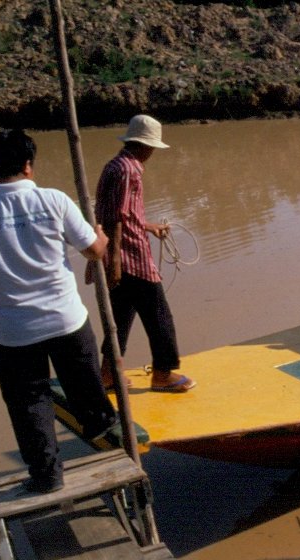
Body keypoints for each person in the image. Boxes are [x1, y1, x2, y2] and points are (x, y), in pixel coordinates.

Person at [0, 129, 118, 494]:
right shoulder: (53, 200)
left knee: (29, 402)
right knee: (85, 383)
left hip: (14, 330)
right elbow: (93, 251)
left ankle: (46, 475)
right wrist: (103, 238)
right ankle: (100, 424)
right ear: (28, 166)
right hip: (65, 319)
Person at [93, 114, 195, 393]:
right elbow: (115, 217)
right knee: (159, 313)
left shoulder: (116, 165)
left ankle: (108, 372)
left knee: (121, 315)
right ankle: (163, 373)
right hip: (130, 257)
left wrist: (148, 226)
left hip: (120, 253)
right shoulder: (130, 169)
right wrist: (115, 261)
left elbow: (117, 213)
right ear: (146, 145)